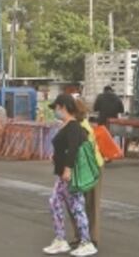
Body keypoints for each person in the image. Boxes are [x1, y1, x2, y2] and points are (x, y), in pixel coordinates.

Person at [44, 93, 97, 256]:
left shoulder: (73, 126)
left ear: (64, 107)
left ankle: (86, 242)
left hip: (69, 175)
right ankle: (61, 239)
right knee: (56, 202)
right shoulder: (66, 125)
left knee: (77, 207)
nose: (56, 111)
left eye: (57, 108)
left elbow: (73, 149)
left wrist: (68, 169)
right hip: (63, 174)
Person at [69, 98, 105, 249]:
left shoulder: (81, 128)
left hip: (92, 167)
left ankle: (92, 238)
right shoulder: (78, 126)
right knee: (77, 203)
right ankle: (81, 236)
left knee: (91, 204)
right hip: (83, 167)